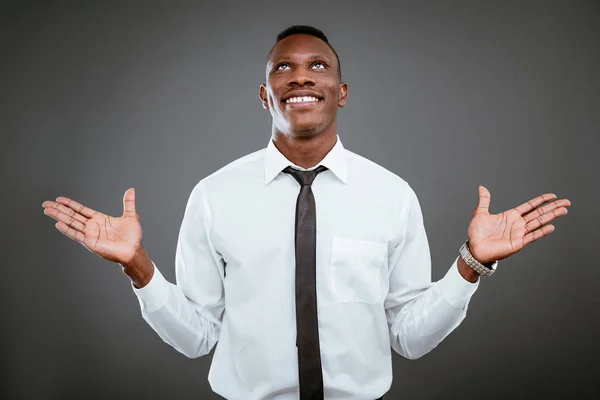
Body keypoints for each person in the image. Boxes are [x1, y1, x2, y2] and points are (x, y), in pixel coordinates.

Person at [41, 25, 571, 400]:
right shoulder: (213, 195)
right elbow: (197, 337)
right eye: (283, 69)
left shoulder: (392, 195)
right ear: (264, 95)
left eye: (317, 66)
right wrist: (137, 266)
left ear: (340, 92)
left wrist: (470, 263)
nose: (300, 77)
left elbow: (408, 337)